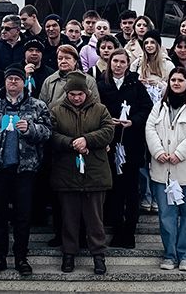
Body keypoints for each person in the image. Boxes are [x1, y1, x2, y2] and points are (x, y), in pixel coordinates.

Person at [0, 65, 52, 277]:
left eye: (17, 79)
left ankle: (21, 257)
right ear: (5, 82)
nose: (13, 82)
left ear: (23, 82)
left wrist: (31, 129)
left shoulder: (37, 105)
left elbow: (47, 132)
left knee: (23, 215)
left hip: (24, 169)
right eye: (10, 79)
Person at [49, 72, 115, 274]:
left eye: (80, 94)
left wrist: (87, 140)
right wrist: (70, 143)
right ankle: (68, 254)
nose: (76, 98)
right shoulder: (56, 111)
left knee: (95, 218)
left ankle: (98, 256)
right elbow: (51, 134)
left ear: (86, 92)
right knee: (69, 217)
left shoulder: (100, 109)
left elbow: (108, 131)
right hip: (67, 171)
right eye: (72, 94)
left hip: (94, 171)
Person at [145, 67, 186, 272]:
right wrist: (158, 151)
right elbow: (150, 128)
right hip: (163, 170)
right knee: (166, 216)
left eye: (181, 80)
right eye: (173, 79)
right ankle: (169, 254)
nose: (176, 83)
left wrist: (179, 154)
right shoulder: (159, 106)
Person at [97, 48, 153, 248]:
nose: (118, 65)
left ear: (128, 65)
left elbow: (147, 109)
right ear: (109, 63)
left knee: (131, 189)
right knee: (114, 189)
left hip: (131, 144)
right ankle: (116, 228)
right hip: (110, 145)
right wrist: (107, 122)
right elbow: (96, 109)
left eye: (122, 62)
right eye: (115, 61)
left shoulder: (136, 86)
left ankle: (129, 231)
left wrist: (133, 121)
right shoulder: (102, 85)